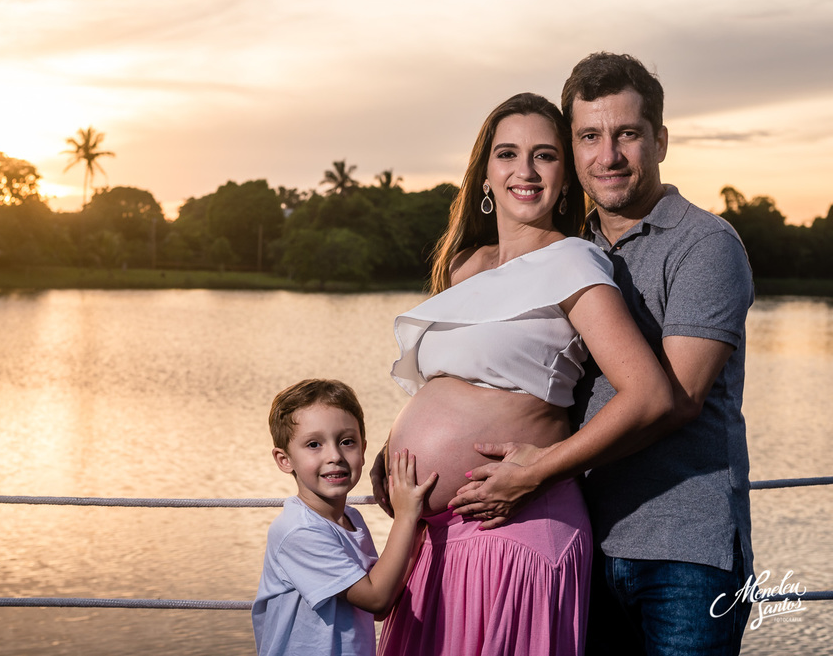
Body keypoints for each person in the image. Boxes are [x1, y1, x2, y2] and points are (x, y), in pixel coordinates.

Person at [448, 53, 755, 655]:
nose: (607, 156)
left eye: (627, 135)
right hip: (582, 539)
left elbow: (677, 403)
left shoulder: (704, 245)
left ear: (660, 140)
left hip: (684, 552)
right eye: (589, 136)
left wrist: (534, 470)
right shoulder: (564, 250)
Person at [372, 92, 675, 656]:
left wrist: (536, 474)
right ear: (485, 174)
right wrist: (392, 450)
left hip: (512, 532)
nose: (525, 171)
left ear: (566, 178)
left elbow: (649, 395)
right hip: (434, 539)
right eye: (508, 154)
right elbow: (453, 383)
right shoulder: (463, 265)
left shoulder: (572, 262)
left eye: (545, 155)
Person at [252, 378, 437, 656]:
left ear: (363, 450)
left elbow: (381, 599)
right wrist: (405, 517)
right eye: (314, 444)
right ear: (284, 459)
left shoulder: (352, 519)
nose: (335, 455)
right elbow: (376, 600)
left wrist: (421, 525)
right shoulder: (298, 531)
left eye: (347, 441)